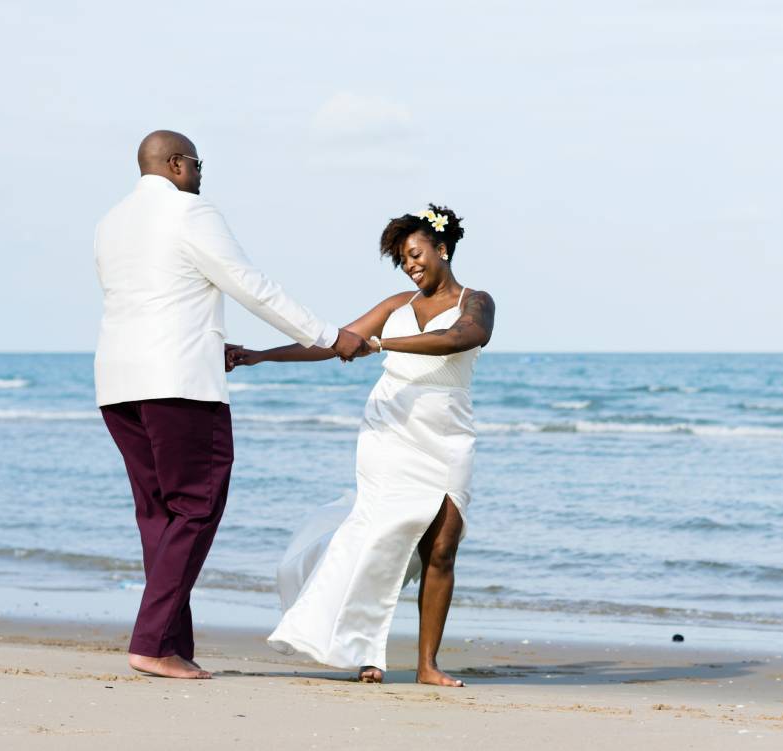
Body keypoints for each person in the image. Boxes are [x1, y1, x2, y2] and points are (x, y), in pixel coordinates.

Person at [94, 130, 370, 680]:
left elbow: (152, 297)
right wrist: (327, 335)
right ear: (175, 164)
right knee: (197, 506)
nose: (200, 174)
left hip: (119, 384)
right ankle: (150, 644)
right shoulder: (189, 213)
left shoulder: (111, 222)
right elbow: (251, 285)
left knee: (159, 515)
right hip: (178, 382)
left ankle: (170, 642)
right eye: (196, 164)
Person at [229, 205, 495, 686]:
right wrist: (259, 356)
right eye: (403, 260)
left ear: (443, 248)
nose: (411, 265)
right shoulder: (395, 305)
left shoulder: (477, 302)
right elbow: (338, 342)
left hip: (448, 432)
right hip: (390, 429)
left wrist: (384, 345)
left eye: (415, 254)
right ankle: (367, 651)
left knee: (442, 547)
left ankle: (427, 665)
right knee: (381, 537)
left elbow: (462, 337)